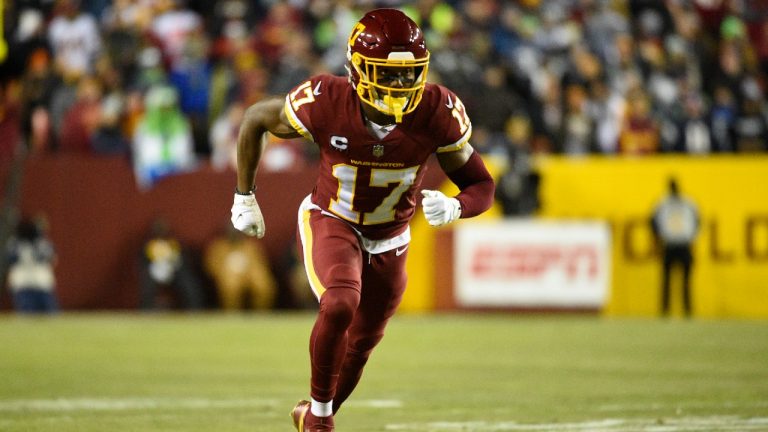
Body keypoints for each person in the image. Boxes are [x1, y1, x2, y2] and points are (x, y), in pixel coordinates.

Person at [229, 9, 495, 432]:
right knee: (340, 301)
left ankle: (312, 414)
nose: (401, 86)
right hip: (333, 218)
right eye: (388, 74)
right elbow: (256, 118)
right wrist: (244, 196)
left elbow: (481, 183)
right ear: (358, 69)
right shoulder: (326, 100)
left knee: (362, 344)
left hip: (391, 237)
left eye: (410, 75)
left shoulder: (437, 110)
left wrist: (458, 206)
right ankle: (320, 422)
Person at [651, 177, 700, 317]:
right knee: (678, 281)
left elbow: (653, 222)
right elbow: (697, 221)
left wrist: (658, 238)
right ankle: (681, 310)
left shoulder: (663, 203)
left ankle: (672, 310)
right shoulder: (688, 203)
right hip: (680, 244)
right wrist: (692, 237)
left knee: (673, 281)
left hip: (673, 244)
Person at [203, 224, 277, 311]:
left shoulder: (251, 247)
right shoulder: (219, 247)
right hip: (228, 277)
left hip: (250, 275)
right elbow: (212, 267)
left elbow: (261, 265)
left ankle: (261, 314)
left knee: (262, 285)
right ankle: (233, 315)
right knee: (231, 285)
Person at [5, 215, 59, 314]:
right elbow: (53, 260)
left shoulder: (15, 244)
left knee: (39, 317)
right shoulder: (40, 244)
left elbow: (9, 261)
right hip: (34, 282)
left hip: (30, 282)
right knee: (41, 317)